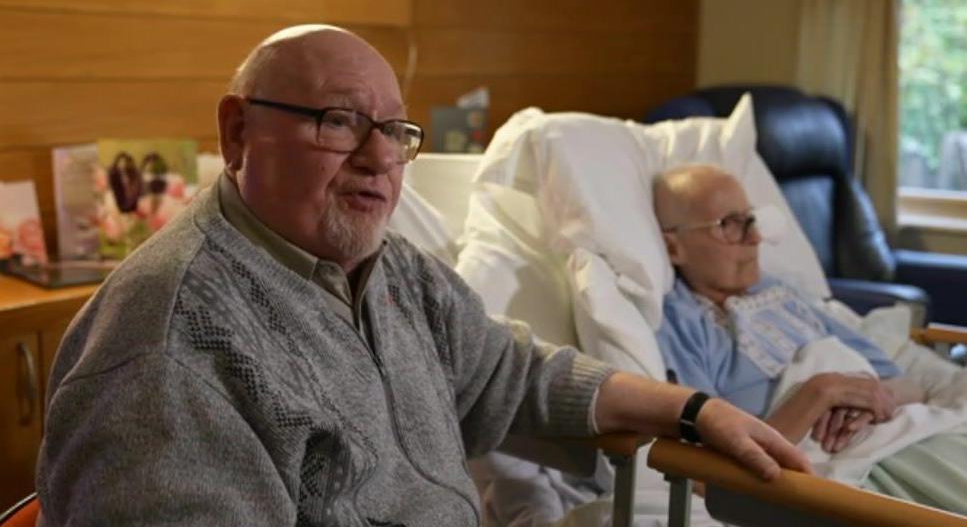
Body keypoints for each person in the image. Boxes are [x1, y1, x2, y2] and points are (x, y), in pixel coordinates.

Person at [36, 26, 808, 526]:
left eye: (393, 131)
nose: (377, 157)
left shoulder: (388, 268)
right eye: (337, 121)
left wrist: (694, 410)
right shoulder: (169, 348)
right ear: (239, 131)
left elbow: (513, 372)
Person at [653, 163, 967, 512]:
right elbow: (702, 471)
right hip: (855, 470)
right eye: (728, 225)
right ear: (673, 247)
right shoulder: (682, 325)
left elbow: (908, 385)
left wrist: (872, 398)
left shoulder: (784, 295)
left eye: (751, 220)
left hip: (908, 433)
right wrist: (820, 393)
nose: (754, 237)